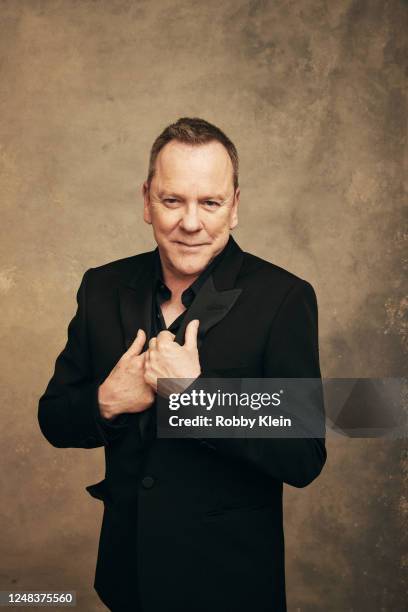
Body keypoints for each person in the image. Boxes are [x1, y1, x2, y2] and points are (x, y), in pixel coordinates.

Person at [38, 117, 327, 612]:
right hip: (125, 580)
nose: (190, 222)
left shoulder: (284, 298)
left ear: (234, 207)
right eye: (172, 200)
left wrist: (196, 395)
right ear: (146, 201)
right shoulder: (102, 287)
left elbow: (304, 456)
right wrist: (106, 402)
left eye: (210, 202)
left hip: (230, 586)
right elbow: (54, 417)